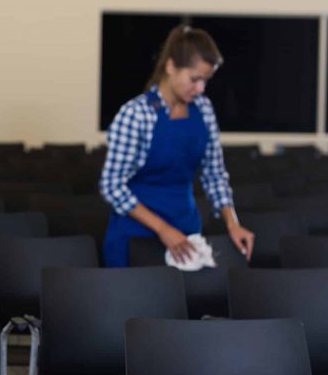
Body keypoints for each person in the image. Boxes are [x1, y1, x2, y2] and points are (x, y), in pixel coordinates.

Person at [99, 24, 255, 267]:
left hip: (186, 232)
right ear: (171, 66)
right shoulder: (136, 115)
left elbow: (214, 175)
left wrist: (232, 223)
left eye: (206, 81)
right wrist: (163, 230)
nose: (201, 89)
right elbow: (111, 186)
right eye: (195, 79)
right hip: (136, 238)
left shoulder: (203, 109)